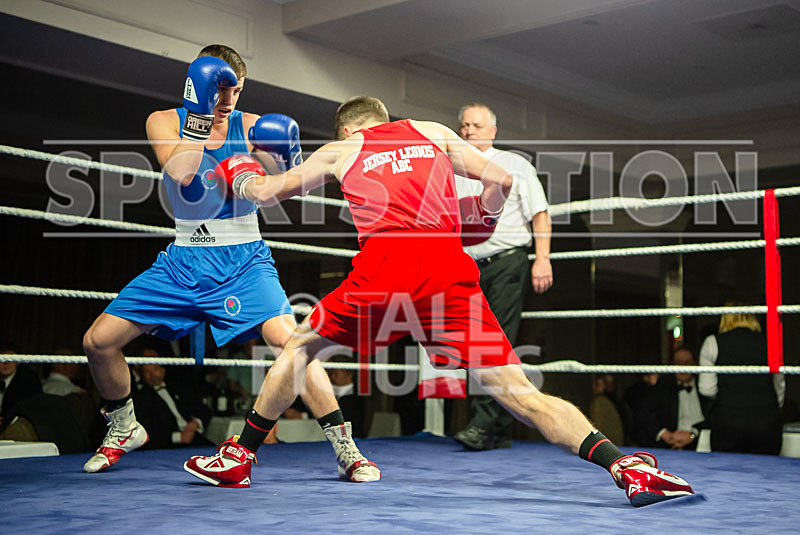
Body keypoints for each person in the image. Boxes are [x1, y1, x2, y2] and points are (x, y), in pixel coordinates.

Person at [184, 96, 693, 506]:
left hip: (383, 270)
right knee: (519, 394)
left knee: (299, 349)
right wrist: (482, 218)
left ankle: (238, 457)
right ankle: (623, 466)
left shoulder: (344, 150)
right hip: (448, 272)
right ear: (389, 118)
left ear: (348, 130)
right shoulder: (432, 131)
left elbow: (272, 192)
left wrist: (242, 168)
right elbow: (501, 181)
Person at [80, 45, 379, 482]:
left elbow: (291, 193)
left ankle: (346, 448)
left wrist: (288, 164)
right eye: (217, 91)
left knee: (293, 345)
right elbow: (181, 172)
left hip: (243, 261)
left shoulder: (255, 127)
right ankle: (124, 427)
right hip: (183, 261)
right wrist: (198, 114)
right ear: (198, 87)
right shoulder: (164, 121)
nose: (226, 101)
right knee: (98, 341)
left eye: (233, 92)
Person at [452, 103, 552, 450]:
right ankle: (494, 427)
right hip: (467, 266)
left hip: (508, 262)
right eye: (464, 125)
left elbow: (539, 214)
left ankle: (486, 424)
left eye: (476, 125)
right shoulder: (453, 171)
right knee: (471, 341)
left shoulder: (514, 164)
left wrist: (542, 259)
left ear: (492, 130)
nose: (469, 131)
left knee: (494, 341)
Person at [698, 304, 784, 455]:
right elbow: (779, 386)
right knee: (768, 474)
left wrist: (730, 397)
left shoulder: (712, 342)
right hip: (766, 421)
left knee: (726, 474)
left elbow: (706, 389)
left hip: (728, 420)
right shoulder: (771, 342)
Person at [632, 348, 708, 450]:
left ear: (695, 364)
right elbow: (643, 411)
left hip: (701, 444)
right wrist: (663, 433)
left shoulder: (705, 385)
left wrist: (693, 435)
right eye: (678, 362)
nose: (683, 367)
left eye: (687, 362)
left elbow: (714, 416)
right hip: (670, 445)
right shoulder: (664, 384)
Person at [0, 345, 43, 432]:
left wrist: (5, 421)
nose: (6, 363)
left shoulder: (28, 381)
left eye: (11, 358)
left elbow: (29, 411)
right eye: (2, 358)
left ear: (18, 362)